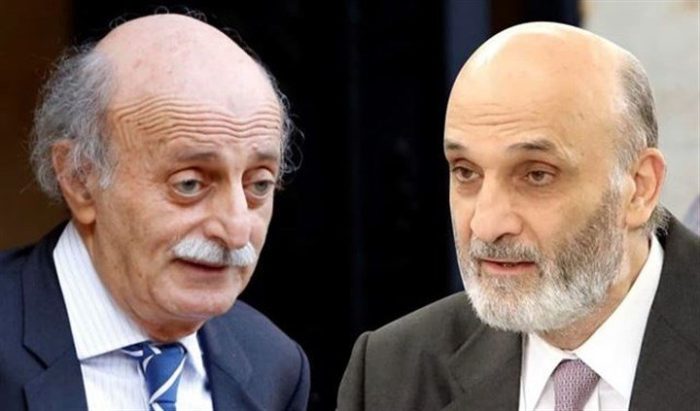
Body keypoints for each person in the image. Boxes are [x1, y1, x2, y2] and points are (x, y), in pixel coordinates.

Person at [337, 22, 699, 411]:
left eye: (536, 175)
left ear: (639, 187)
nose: (486, 225)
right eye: (466, 172)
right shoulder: (392, 373)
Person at [0, 13, 309, 410]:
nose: (236, 231)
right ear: (80, 179)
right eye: (189, 184)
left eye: (259, 185)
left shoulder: (274, 365)